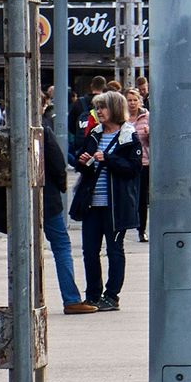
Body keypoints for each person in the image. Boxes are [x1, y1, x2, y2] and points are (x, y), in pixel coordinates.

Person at [74, 90, 142, 311]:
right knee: (89, 250)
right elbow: (82, 165)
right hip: (92, 203)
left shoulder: (128, 136)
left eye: (103, 107)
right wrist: (83, 161)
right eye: (97, 107)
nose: (99, 112)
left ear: (114, 109)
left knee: (114, 250)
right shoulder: (94, 134)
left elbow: (133, 169)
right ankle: (92, 295)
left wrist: (109, 158)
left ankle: (111, 296)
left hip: (117, 204)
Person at [40, 90, 97, 314]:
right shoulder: (44, 130)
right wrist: (62, 187)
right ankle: (71, 299)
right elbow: (57, 164)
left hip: (19, 202)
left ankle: (27, 297)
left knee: (25, 247)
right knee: (61, 246)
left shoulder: (11, 130)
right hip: (49, 198)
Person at [126, 88, 151, 241]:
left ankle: (141, 229)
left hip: (144, 163)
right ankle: (124, 226)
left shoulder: (147, 117)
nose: (132, 103)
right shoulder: (121, 118)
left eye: (135, 100)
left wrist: (150, 133)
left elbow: (156, 140)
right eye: (129, 100)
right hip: (127, 163)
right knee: (128, 197)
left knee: (142, 198)